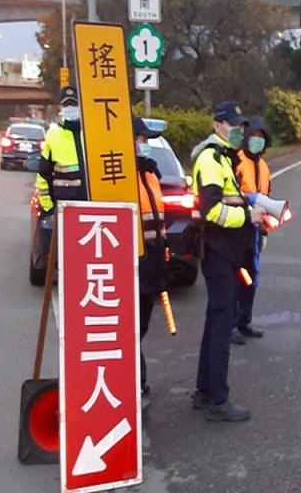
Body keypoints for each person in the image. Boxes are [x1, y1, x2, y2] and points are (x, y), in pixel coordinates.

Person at [190, 101, 263, 422]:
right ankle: (218, 400)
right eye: (233, 125)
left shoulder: (223, 159)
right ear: (217, 125)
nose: (239, 131)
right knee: (221, 326)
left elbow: (229, 200)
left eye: (241, 126)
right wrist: (248, 215)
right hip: (218, 251)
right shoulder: (210, 159)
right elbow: (211, 211)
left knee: (215, 321)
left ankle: (205, 392)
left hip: (225, 252)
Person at [134, 116, 169, 398]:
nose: (144, 145)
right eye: (140, 140)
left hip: (152, 266)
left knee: (141, 326)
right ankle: (134, 379)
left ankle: (136, 378)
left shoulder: (150, 174)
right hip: (131, 267)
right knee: (130, 329)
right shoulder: (116, 176)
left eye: (146, 140)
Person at [231, 117, 272, 344]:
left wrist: (265, 229)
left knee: (252, 277)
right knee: (236, 277)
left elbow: (267, 196)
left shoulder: (264, 165)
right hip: (237, 227)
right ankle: (230, 324)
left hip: (256, 230)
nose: (257, 142)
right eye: (254, 137)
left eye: (261, 138)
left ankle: (244, 321)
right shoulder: (236, 161)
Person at [36, 86, 87, 213]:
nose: (70, 108)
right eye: (66, 105)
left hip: (93, 203)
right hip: (64, 207)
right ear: (61, 107)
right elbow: (43, 174)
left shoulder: (92, 132)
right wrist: (48, 208)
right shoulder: (53, 135)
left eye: (74, 104)